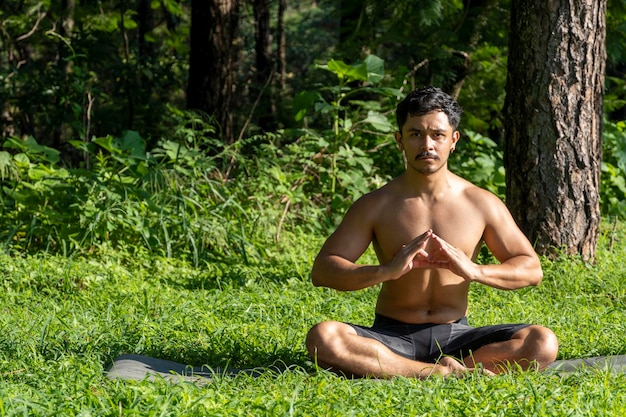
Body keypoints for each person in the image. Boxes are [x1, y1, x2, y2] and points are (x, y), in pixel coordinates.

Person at [305, 86, 559, 379]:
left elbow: (531, 269)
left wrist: (474, 270)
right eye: (415, 134)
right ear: (399, 140)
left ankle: (441, 369)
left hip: (457, 337)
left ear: (453, 140)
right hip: (391, 336)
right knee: (323, 338)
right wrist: (387, 270)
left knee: (542, 342)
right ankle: (442, 374)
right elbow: (323, 270)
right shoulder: (375, 204)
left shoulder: (480, 202)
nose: (427, 144)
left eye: (437, 135)